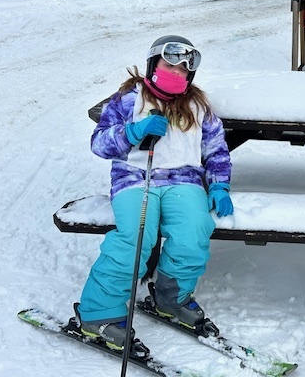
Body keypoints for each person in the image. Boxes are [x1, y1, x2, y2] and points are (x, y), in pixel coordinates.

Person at [76, 35, 233, 352]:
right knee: (136, 236)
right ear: (152, 64)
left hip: (184, 179)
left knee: (194, 230)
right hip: (136, 177)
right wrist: (132, 132)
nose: (175, 73)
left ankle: (170, 297)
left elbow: (216, 151)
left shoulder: (198, 106)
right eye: (168, 65)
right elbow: (99, 144)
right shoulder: (129, 99)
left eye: (182, 70)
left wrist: (218, 184)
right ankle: (98, 313)